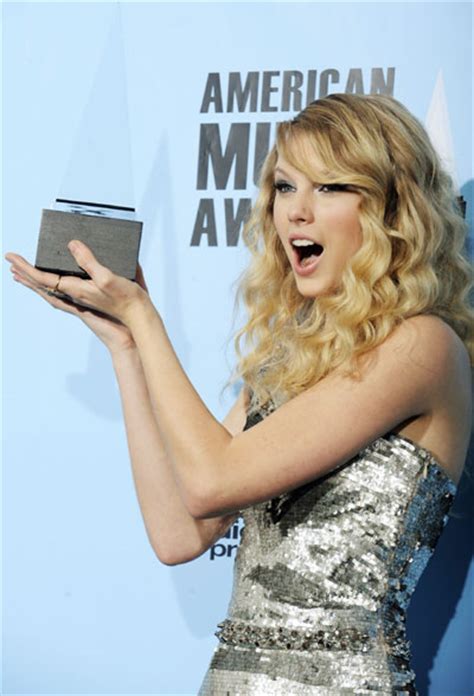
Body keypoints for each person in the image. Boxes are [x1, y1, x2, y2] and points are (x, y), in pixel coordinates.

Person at [5, 93, 473, 694]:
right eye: (284, 187)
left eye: (329, 187)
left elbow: (212, 480)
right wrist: (126, 346)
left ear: (390, 206)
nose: (296, 213)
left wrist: (148, 320)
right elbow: (180, 534)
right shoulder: (291, 358)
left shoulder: (422, 347)